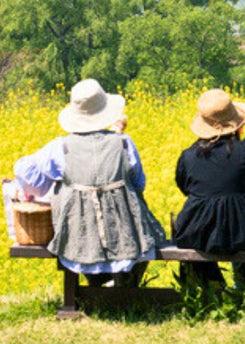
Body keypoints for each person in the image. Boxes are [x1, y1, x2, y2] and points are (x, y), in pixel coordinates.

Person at [14, 78, 168, 287]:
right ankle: (125, 284)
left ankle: (97, 284)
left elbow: (25, 171)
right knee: (146, 229)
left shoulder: (61, 147)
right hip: (127, 232)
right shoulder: (123, 142)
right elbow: (139, 183)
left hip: (77, 234)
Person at [172, 88, 245, 291]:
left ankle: (212, 288)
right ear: (237, 124)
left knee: (194, 244)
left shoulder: (188, 157)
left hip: (199, 232)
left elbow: (184, 187)